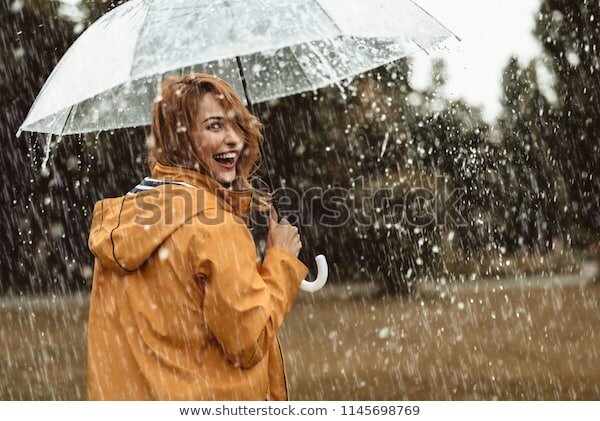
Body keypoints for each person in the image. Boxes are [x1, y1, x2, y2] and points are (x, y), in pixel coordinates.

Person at [86, 73, 308, 400]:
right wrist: (281, 263)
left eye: (237, 125)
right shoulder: (214, 225)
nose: (234, 139)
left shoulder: (128, 218)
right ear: (179, 139)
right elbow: (247, 342)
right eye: (214, 126)